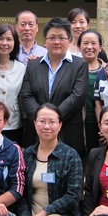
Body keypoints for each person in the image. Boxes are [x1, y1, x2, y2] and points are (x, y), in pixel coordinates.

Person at [14, 104, 83, 216]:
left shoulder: (70, 155)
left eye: (52, 122)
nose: (47, 126)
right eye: (42, 121)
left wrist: (44, 214)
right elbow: (19, 192)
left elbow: (73, 195)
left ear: (60, 125)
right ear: (35, 124)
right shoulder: (26, 154)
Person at [20, 18, 89, 157]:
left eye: (61, 38)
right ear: (45, 41)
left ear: (69, 40)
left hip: (69, 132)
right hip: (36, 133)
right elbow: (26, 96)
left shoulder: (79, 65)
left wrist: (52, 120)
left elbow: (77, 97)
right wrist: (42, 121)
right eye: (52, 38)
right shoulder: (33, 65)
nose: (56, 42)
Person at [78, 30, 105, 154]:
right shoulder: (72, 69)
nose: (89, 47)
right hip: (79, 122)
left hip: (102, 122)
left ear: (100, 47)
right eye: (85, 43)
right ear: (79, 47)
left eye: (93, 43)